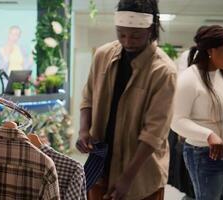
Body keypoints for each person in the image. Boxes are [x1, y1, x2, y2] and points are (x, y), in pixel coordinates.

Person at [76, 0, 177, 199]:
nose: (128, 41)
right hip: (100, 167)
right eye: (121, 34)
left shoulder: (163, 71)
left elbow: (154, 133)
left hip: (141, 175)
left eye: (136, 36)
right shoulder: (103, 55)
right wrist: (83, 129)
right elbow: (88, 96)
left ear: (151, 29)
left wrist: (127, 178)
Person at [171, 25, 223, 200]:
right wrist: (208, 135)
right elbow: (177, 121)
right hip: (204, 152)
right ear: (210, 50)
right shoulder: (189, 79)